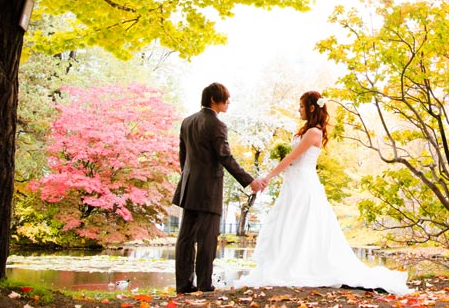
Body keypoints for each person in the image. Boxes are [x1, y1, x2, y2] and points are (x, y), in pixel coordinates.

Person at [235, 90, 411, 294]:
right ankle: (289, 261)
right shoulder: (304, 131)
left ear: (311, 108)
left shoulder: (314, 133)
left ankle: (302, 266)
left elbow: (292, 158)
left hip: (304, 184)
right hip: (293, 183)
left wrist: (268, 176)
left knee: (303, 223)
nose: (298, 110)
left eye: (301, 106)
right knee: (290, 223)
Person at [172, 82, 265, 294]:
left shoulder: (187, 122)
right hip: (208, 189)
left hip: (189, 187)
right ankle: (204, 284)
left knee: (185, 238)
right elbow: (225, 157)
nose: (229, 102)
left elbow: (183, 157)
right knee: (207, 238)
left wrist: (189, 178)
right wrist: (250, 181)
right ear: (214, 99)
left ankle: (183, 285)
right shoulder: (216, 124)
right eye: (226, 98)